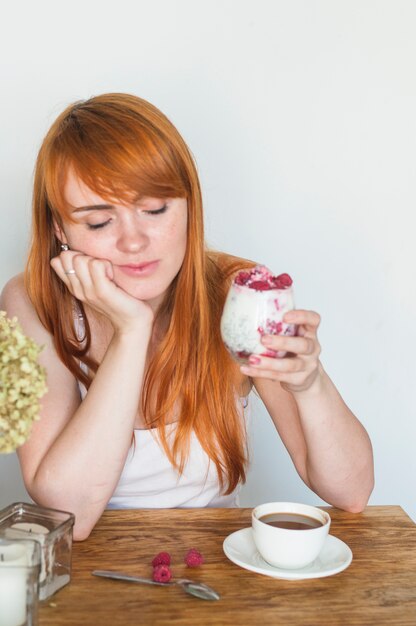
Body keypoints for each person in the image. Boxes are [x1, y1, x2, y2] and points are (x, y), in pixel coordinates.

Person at [0, 93, 374, 541]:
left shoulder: (238, 294)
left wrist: (310, 384)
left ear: (189, 204)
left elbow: (351, 492)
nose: (134, 242)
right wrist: (132, 330)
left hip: (214, 573)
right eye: (99, 222)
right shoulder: (33, 301)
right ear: (60, 230)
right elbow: (69, 513)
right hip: (90, 583)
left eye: (155, 210)